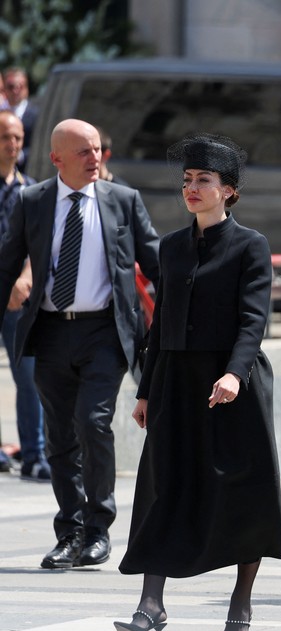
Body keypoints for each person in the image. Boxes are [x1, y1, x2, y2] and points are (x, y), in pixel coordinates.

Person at [114, 133, 281, 631]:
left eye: (203, 180)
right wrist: (146, 389)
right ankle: (151, 603)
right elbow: (159, 320)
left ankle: (240, 602)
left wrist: (234, 374)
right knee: (163, 486)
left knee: (242, 493)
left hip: (235, 383)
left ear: (228, 191)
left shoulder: (251, 245)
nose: (191, 188)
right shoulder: (170, 247)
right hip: (174, 383)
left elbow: (254, 321)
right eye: (187, 180)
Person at [0, 119, 160, 569]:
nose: (96, 158)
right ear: (57, 160)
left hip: (104, 333)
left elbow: (157, 261)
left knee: (93, 423)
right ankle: (68, 531)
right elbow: (7, 263)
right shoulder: (33, 201)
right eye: (85, 152)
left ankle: (98, 528)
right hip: (50, 330)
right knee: (59, 437)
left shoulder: (122, 201)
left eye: (97, 149)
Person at [0, 110, 47, 480]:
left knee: (29, 376)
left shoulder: (30, 190)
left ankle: (35, 454)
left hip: (18, 297)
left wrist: (25, 279)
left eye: (16, 137)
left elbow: (39, 244)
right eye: (5, 137)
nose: (12, 144)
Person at [3, 68, 37, 170]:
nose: (15, 90)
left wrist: (20, 155)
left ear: (26, 89)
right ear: (4, 88)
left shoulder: (37, 115)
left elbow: (41, 146)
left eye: (20, 86)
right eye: (11, 86)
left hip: (29, 171)